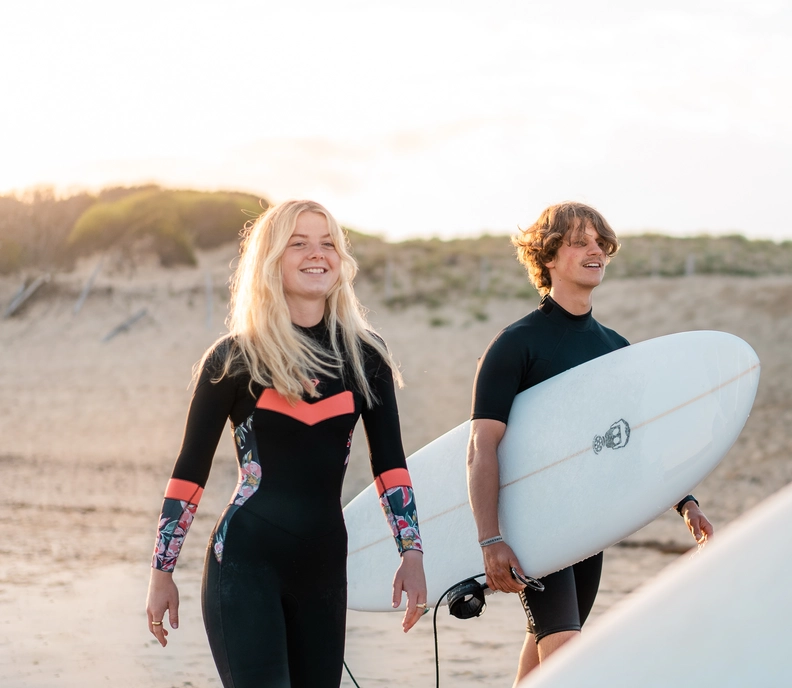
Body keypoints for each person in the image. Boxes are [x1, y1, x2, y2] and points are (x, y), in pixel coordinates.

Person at [144, 200, 427, 687]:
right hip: (245, 562)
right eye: (299, 243)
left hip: (321, 565)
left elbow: (390, 465)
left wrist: (412, 553)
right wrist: (161, 570)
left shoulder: (364, 357)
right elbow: (190, 471)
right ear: (271, 258)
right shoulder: (236, 356)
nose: (316, 254)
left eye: (328, 244)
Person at [466, 201, 714, 685]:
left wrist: (685, 502)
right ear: (549, 257)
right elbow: (482, 446)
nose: (595, 250)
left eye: (600, 242)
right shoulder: (517, 345)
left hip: (589, 526)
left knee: (545, 659)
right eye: (579, 241)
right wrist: (490, 538)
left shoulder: (616, 349)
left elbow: (636, 443)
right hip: (536, 523)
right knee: (568, 660)